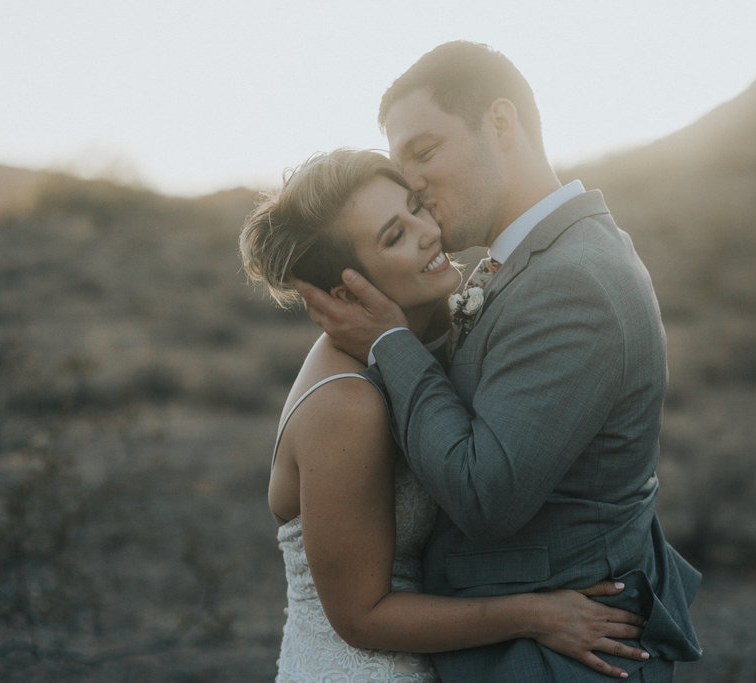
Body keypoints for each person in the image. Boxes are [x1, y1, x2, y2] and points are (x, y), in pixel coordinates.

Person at [294, 42, 702, 682]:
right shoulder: (526, 262)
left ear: (502, 123)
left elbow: (485, 496)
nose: (417, 188)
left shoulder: (573, 281)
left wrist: (389, 343)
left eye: (424, 153)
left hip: (553, 659)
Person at [240, 148, 653, 682]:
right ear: (348, 290)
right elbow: (361, 619)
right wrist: (537, 614)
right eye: (394, 236)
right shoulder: (345, 402)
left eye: (416, 207)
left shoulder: (452, 330)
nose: (428, 231)